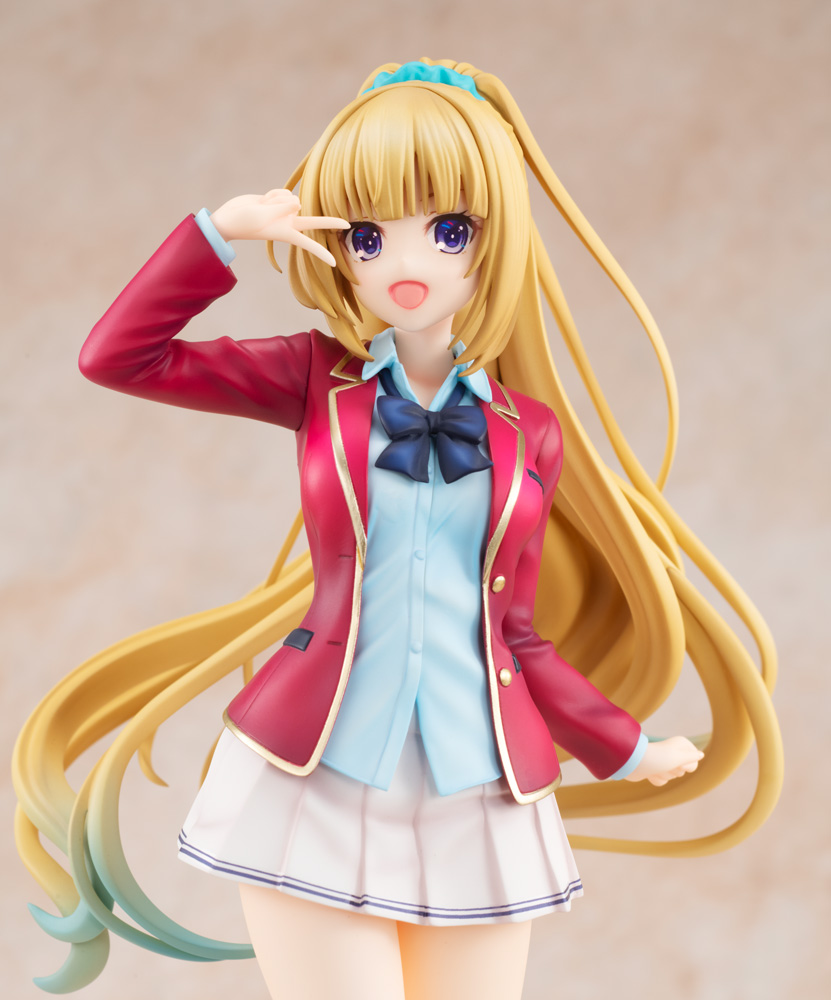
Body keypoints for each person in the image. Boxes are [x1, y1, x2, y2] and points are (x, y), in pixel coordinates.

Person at [13, 59, 782, 1000]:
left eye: (447, 230)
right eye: (369, 237)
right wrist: (220, 234)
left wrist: (622, 746)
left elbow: (517, 634)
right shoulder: (314, 378)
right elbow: (119, 358)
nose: (405, 265)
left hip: (477, 792)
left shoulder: (529, 433)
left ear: (491, 238)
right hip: (317, 773)